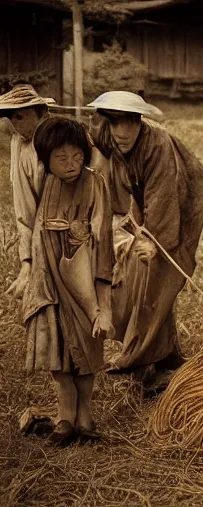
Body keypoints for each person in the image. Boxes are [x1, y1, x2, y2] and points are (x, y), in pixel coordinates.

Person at [88, 91, 203, 393]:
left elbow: (165, 196)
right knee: (143, 279)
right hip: (145, 206)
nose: (121, 132)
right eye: (115, 123)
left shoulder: (158, 147)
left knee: (160, 278)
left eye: (129, 123)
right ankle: (165, 354)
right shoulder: (109, 133)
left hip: (182, 205)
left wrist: (154, 239)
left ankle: (142, 361)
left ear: (139, 121)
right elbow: (90, 137)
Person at [22, 117, 114, 444]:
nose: (71, 164)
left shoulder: (94, 183)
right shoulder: (45, 184)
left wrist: (101, 303)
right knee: (56, 352)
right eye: (61, 158)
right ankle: (65, 417)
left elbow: (103, 241)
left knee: (86, 351)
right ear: (46, 160)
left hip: (82, 280)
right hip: (48, 283)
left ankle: (86, 417)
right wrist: (32, 275)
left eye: (77, 156)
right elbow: (36, 232)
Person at [1, 85, 56, 299]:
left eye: (21, 117)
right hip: (37, 226)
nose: (16, 125)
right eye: (13, 119)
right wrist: (27, 261)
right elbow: (24, 208)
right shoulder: (19, 144)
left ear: (40, 113)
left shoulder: (54, 140)